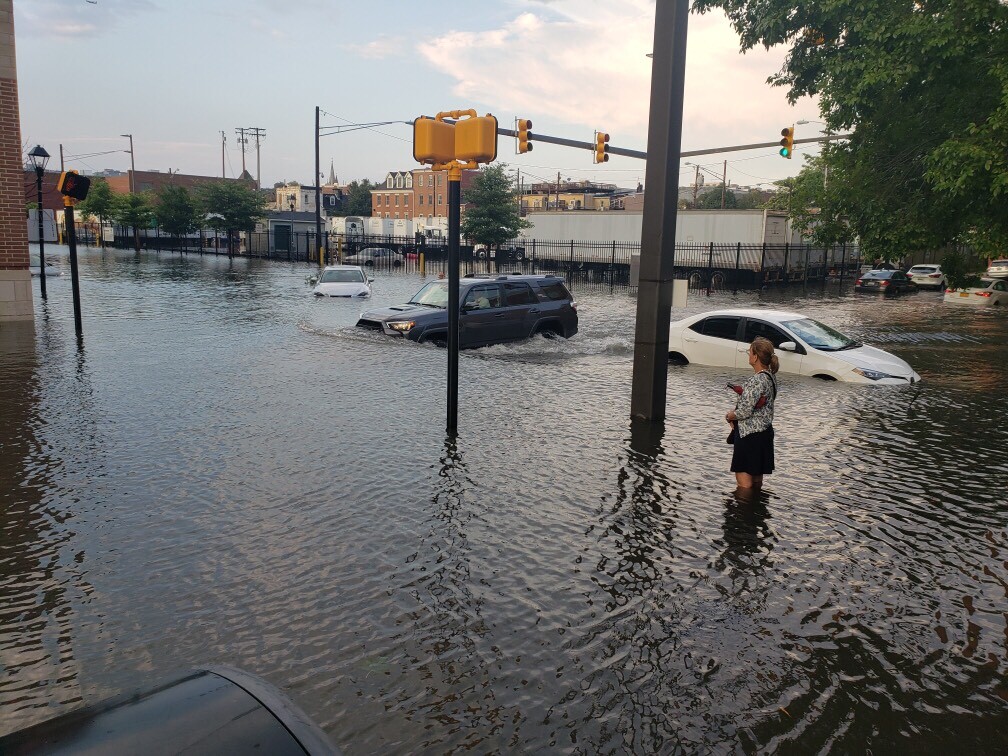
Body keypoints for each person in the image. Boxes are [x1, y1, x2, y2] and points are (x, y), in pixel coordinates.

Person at [725, 336, 779, 489]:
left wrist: (729, 415)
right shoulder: (771, 377)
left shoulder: (756, 380)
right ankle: (757, 510)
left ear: (755, 357)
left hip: (749, 436)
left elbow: (744, 411)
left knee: (744, 484)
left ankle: (743, 511)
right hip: (764, 433)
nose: (748, 356)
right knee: (756, 481)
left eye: (749, 353)